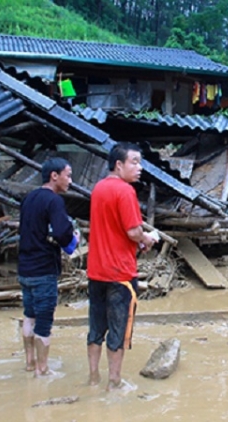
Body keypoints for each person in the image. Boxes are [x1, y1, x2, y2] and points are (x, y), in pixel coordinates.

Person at [86, 142, 158, 390]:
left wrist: (136, 240)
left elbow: (113, 229)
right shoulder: (125, 191)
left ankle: (93, 377)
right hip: (120, 275)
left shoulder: (98, 189)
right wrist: (146, 239)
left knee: (96, 328)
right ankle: (114, 382)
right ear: (119, 165)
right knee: (119, 332)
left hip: (96, 270)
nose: (139, 168)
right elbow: (133, 230)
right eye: (135, 162)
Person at [18, 157, 79, 377]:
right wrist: (75, 239)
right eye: (68, 175)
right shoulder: (54, 201)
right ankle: (42, 370)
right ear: (55, 176)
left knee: (29, 315)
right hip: (43, 270)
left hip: (25, 269)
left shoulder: (29, 198)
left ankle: (29, 363)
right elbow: (63, 233)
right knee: (43, 322)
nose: (70, 181)